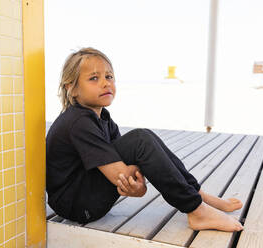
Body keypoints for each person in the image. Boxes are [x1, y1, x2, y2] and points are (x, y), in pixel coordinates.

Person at [46, 47, 244, 232]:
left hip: (87, 195)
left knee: (145, 138)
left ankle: (199, 197)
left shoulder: (102, 118)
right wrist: (135, 181)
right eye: (94, 78)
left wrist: (138, 185)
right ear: (71, 88)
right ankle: (197, 210)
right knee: (141, 140)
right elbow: (123, 175)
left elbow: (130, 168)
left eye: (109, 76)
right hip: (76, 205)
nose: (105, 83)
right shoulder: (77, 121)